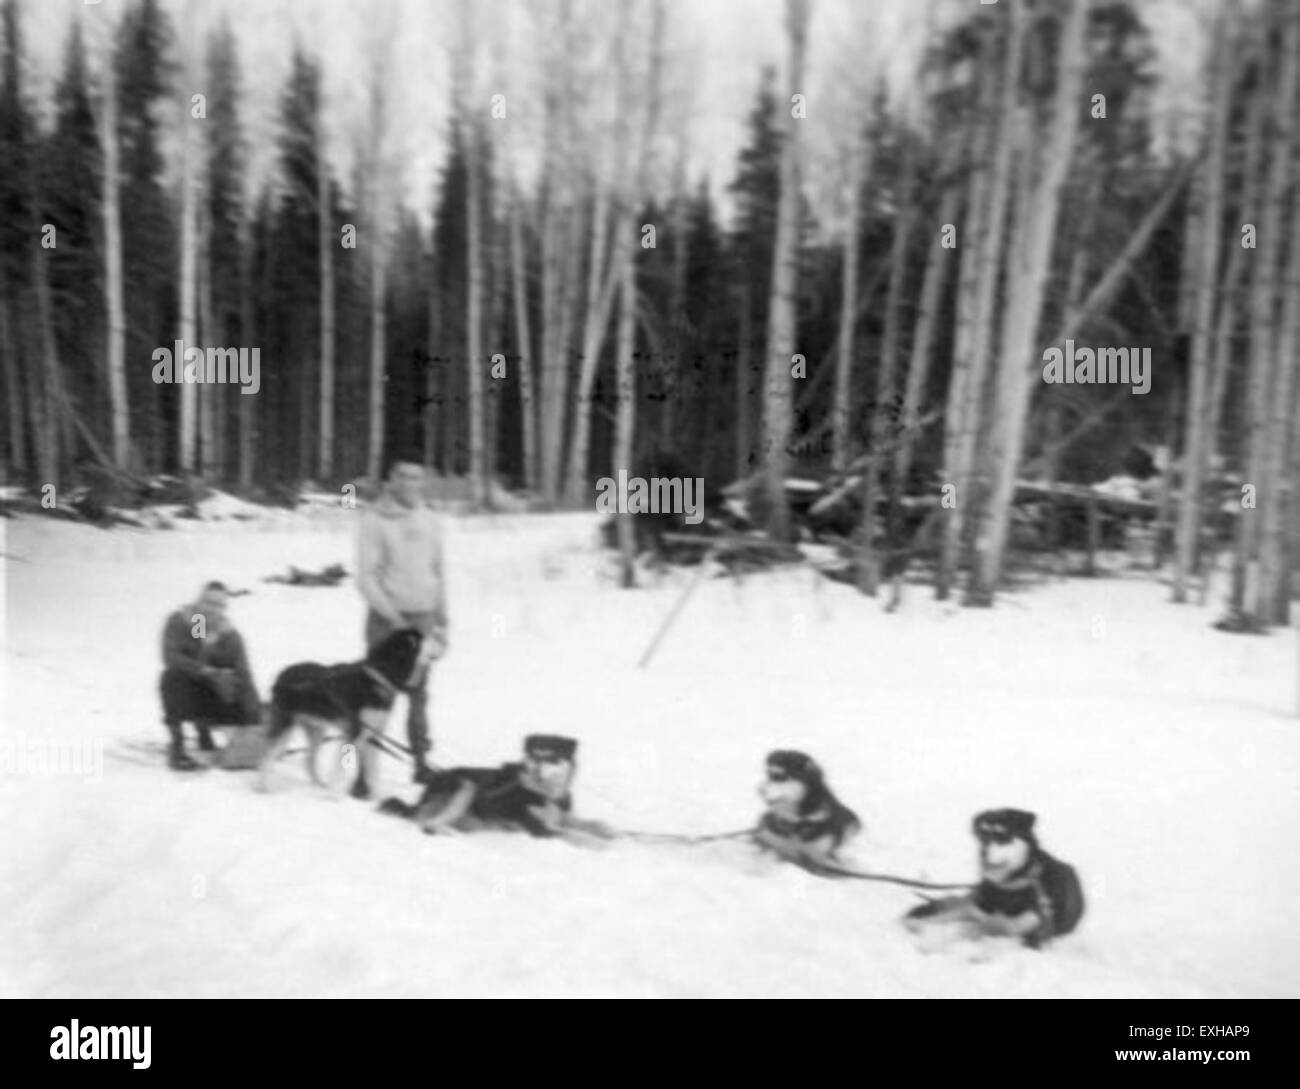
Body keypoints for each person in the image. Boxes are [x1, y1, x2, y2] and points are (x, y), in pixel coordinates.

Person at [357, 453, 448, 783]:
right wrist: (392, 618)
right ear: (390, 481)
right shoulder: (374, 520)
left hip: (423, 617)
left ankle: (421, 760)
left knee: (419, 694)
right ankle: (364, 768)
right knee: (377, 694)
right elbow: (365, 577)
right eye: (403, 476)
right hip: (387, 621)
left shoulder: (430, 520)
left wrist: (442, 620)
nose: (410, 484)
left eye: (416, 477)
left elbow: (438, 572)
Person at [159, 581, 261, 771]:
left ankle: (208, 732)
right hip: (188, 690)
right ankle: (178, 742)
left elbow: (244, 673)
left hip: (214, 695)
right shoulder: (185, 621)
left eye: (219, 605)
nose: (214, 610)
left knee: (241, 693)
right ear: (200, 601)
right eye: (209, 603)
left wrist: (254, 717)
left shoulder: (230, 635)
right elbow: (171, 657)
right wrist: (206, 669)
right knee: (172, 677)